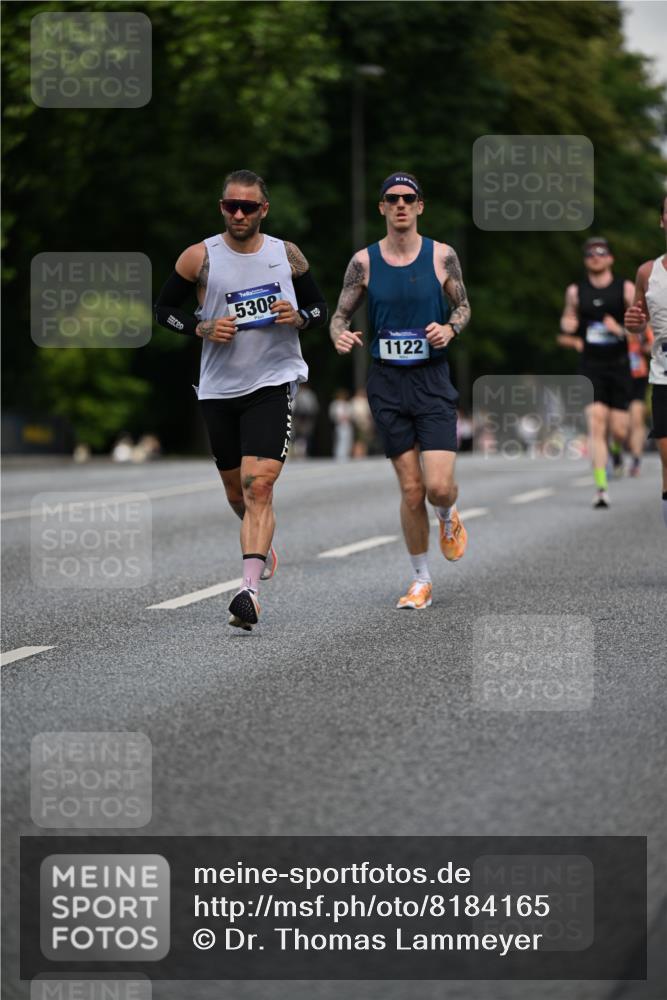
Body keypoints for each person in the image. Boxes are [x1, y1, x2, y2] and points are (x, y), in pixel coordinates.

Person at [154, 169, 328, 630]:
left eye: (247, 207)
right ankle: (262, 544)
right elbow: (163, 310)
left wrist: (300, 318)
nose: (238, 214)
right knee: (237, 492)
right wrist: (200, 327)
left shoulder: (286, 255)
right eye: (230, 206)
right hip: (219, 388)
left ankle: (247, 591)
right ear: (221, 208)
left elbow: (319, 308)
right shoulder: (200, 256)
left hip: (272, 382)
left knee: (258, 485)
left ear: (263, 210)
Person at [330, 171, 470, 610]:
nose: (401, 205)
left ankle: (447, 514)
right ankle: (420, 579)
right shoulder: (364, 262)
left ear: (420, 206)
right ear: (382, 207)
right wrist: (338, 334)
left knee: (438, 488)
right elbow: (339, 316)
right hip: (387, 383)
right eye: (392, 198)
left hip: (431, 380)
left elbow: (463, 306)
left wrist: (450, 329)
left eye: (409, 198)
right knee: (411, 489)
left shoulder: (442, 256)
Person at [557, 236, 635, 508]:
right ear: (585, 260)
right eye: (590, 254)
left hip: (620, 365)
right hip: (590, 366)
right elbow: (567, 320)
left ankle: (617, 450)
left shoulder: (625, 288)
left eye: (601, 253)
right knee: (596, 424)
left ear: (610, 258)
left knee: (620, 430)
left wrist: (620, 330)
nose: (596, 257)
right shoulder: (575, 291)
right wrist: (567, 325)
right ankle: (601, 488)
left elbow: (641, 329)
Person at [624, 195, 667, 527]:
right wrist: (633, 322)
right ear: (662, 221)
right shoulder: (647, 272)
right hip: (663, 376)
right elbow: (638, 323)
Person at [626, 325, 654, 476]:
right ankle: (615, 450)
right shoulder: (608, 319)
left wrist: (645, 347)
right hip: (615, 376)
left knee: (636, 419)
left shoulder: (642, 325)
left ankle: (636, 460)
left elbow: (653, 345)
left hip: (638, 376)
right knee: (620, 425)